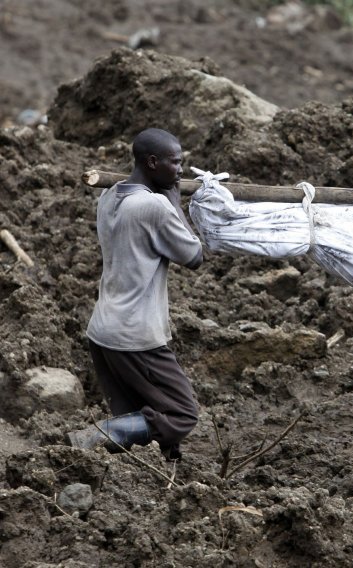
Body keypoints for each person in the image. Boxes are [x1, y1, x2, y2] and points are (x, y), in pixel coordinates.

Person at [66, 128, 203, 461]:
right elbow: (194, 256)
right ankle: (93, 438)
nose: (181, 170)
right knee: (181, 414)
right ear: (153, 162)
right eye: (176, 162)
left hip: (102, 331)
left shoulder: (110, 196)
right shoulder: (153, 206)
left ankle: (159, 477)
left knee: (143, 422)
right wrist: (173, 202)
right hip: (136, 335)